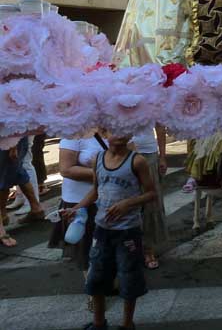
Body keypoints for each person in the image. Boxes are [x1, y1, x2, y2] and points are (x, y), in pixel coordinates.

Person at [65, 134, 156, 330]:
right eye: (115, 130)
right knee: (96, 277)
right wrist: (76, 208)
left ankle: (127, 324)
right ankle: (98, 323)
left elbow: (151, 192)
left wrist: (128, 203)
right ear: (106, 134)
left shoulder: (137, 161)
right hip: (102, 230)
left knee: (128, 279)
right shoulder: (99, 158)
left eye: (125, 130)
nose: (120, 135)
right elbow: (95, 190)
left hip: (128, 232)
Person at [49, 135, 108, 311]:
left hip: (111, 197)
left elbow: (131, 157)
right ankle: (93, 292)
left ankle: (107, 280)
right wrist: (106, 172)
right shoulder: (73, 132)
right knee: (86, 248)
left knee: (108, 244)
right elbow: (66, 170)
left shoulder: (114, 126)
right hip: (79, 201)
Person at [130, 127, 169, 270]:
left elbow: (160, 127)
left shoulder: (154, 104)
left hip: (149, 154)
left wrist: (162, 157)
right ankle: (130, 246)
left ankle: (148, 249)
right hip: (123, 152)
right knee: (127, 202)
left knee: (150, 203)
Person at [0, 136, 45, 226]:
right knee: (17, 171)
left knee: (4, 175)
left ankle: (3, 216)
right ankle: (36, 208)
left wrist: (13, 146)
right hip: (12, 139)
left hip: (10, 139)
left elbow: (11, 123)